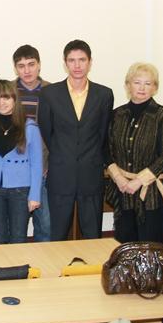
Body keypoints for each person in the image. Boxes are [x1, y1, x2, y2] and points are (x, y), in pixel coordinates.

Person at [38, 40, 114, 240]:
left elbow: (103, 133)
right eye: (72, 60)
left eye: (82, 60)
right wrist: (64, 154)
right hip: (61, 173)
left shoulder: (104, 94)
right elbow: (47, 131)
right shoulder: (49, 94)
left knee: (92, 233)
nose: (77, 65)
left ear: (90, 62)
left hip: (91, 172)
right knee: (58, 234)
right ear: (65, 63)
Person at [106, 63, 163, 243]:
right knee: (124, 244)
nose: (142, 88)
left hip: (150, 192)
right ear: (128, 85)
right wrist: (118, 178)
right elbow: (107, 150)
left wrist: (138, 181)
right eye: (137, 82)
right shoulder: (116, 114)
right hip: (123, 189)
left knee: (150, 246)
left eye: (148, 83)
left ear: (155, 88)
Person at [0, 80, 43, 244]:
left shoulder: (30, 127)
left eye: (6, 98)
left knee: (18, 237)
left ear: (15, 99)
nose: (1, 102)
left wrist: (35, 195)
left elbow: (37, 164)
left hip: (20, 190)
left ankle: (19, 263)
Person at [12, 45, 51, 242]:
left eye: (31, 64)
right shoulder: (8, 91)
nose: (27, 70)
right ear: (15, 68)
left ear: (39, 65)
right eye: (21, 66)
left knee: (45, 224)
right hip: (14, 171)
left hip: (43, 168)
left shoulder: (52, 91)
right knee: (15, 227)